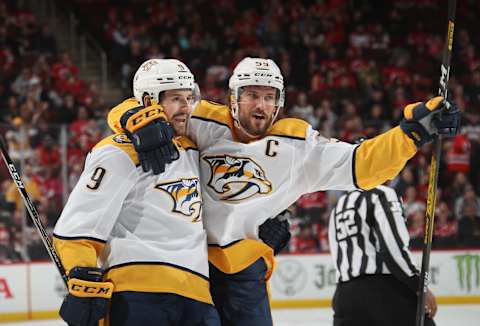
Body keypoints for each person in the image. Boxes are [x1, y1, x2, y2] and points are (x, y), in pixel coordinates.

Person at [107, 57, 460, 325]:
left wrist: (411, 134)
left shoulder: (298, 146)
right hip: (191, 268)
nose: (259, 105)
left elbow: (364, 164)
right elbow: (144, 102)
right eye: (251, 95)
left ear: (278, 102)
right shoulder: (204, 120)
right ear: (233, 98)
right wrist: (130, 119)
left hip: (245, 274)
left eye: (268, 96)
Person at [53, 59, 221, 326]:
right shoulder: (117, 151)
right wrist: (81, 275)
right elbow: (77, 228)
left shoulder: (194, 146)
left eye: (189, 98)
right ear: (148, 100)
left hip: (198, 296)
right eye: (176, 98)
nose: (186, 108)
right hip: (137, 294)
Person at [328, 182, 437, 326]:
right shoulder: (381, 194)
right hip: (383, 291)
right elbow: (393, 248)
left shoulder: (338, 207)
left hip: (345, 296)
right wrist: (417, 284)